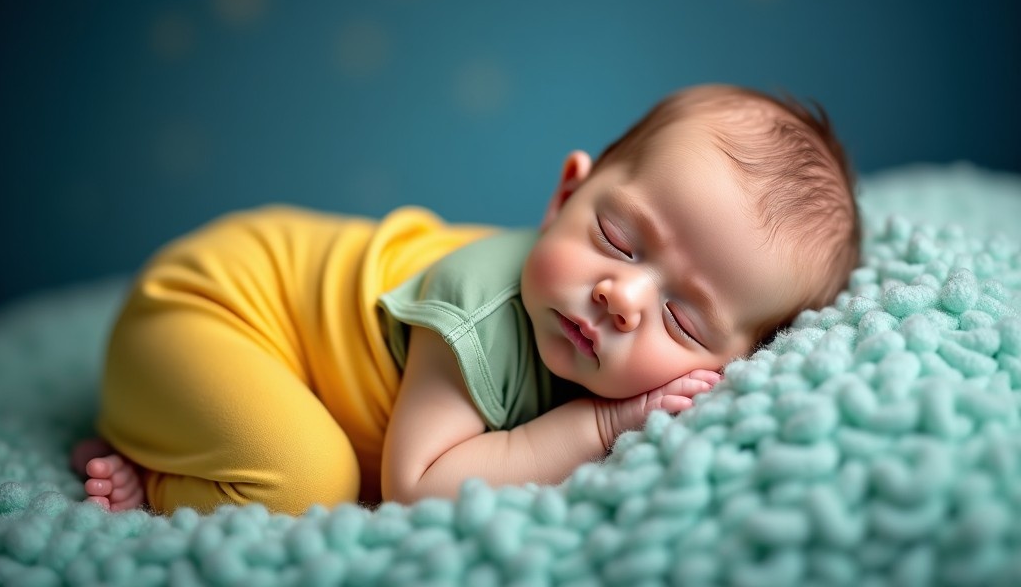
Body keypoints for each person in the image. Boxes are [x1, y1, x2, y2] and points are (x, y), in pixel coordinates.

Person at [72, 84, 860, 514]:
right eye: (619, 240)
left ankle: (180, 434)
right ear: (565, 194)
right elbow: (421, 483)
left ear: (739, 361)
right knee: (312, 481)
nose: (622, 297)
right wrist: (605, 423)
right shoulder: (481, 311)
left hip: (237, 317)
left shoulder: (577, 311)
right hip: (205, 309)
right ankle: (162, 474)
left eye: (683, 319)